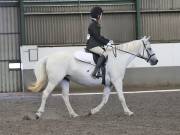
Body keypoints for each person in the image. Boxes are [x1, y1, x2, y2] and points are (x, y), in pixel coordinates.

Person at [86, 6, 114, 78]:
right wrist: (107, 43)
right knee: (104, 54)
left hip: (94, 44)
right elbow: (98, 37)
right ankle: (94, 72)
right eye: (101, 15)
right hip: (92, 45)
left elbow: (98, 36)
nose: (102, 16)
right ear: (98, 15)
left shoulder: (95, 24)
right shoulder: (93, 25)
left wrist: (108, 41)